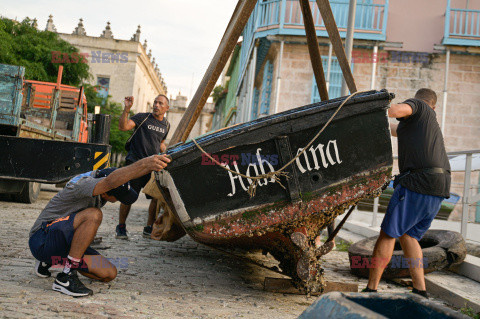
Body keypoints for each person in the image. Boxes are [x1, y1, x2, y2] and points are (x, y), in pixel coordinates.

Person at [29, 155, 170, 297]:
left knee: (109, 273)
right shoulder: (84, 184)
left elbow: (114, 179)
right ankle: (66, 277)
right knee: (94, 215)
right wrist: (145, 163)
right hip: (42, 238)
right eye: (117, 198)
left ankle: (53, 261)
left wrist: (149, 168)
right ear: (105, 192)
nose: (117, 201)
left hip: (64, 242)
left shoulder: (101, 191)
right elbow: (110, 181)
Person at [363, 88, 451, 298]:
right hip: (440, 186)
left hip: (418, 182)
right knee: (409, 236)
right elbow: (393, 128)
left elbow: (393, 111)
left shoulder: (419, 107)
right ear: (435, 106)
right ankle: (420, 290)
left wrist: (370, 109)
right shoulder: (423, 125)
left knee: (388, 234)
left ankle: (371, 289)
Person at [117, 94, 170, 239]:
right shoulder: (143, 117)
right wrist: (126, 110)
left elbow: (160, 143)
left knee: (155, 197)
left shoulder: (166, 125)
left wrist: (167, 151)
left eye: (160, 103)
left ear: (166, 108)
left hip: (152, 166)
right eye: (155, 102)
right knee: (128, 196)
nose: (156, 105)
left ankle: (149, 227)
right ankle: (121, 227)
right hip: (135, 163)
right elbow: (123, 127)